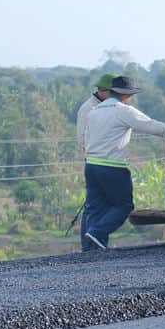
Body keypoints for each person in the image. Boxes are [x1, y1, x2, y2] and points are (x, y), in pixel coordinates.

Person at [82, 76, 165, 251]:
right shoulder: (123, 110)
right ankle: (98, 232)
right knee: (123, 205)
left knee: (95, 207)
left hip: (91, 165)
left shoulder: (94, 111)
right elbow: (149, 125)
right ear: (126, 95)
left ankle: (90, 248)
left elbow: (86, 138)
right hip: (112, 166)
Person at [75, 73, 117, 249]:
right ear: (101, 91)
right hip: (97, 161)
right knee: (95, 206)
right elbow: (83, 140)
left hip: (105, 162)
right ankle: (89, 247)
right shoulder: (89, 109)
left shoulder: (108, 106)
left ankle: (97, 243)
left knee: (102, 205)